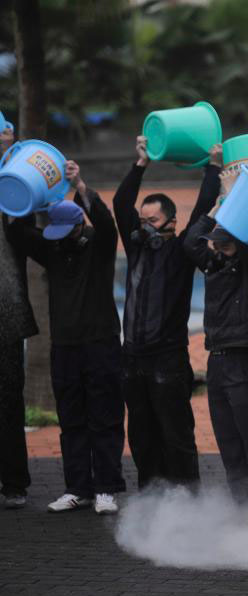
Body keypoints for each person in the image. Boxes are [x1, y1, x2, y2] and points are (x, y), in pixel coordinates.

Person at [7, 161, 125, 514]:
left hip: (101, 342)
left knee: (104, 417)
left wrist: (80, 186)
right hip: (66, 346)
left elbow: (106, 223)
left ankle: (106, 487)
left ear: (78, 225)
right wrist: (29, 197)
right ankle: (78, 487)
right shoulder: (53, 248)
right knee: (71, 418)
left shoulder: (99, 246)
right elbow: (17, 234)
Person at [114, 136, 219, 488]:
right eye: (142, 219)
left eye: (153, 219)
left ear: (171, 222)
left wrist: (213, 167)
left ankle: (187, 496)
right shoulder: (136, 248)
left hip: (167, 359)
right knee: (141, 434)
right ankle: (150, 496)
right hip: (133, 358)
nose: (145, 225)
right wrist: (141, 162)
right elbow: (120, 202)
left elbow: (204, 208)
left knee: (175, 433)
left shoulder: (182, 251)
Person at [183, 167, 248, 505]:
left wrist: (238, 195)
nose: (217, 249)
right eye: (216, 244)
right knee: (230, 446)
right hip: (217, 361)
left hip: (244, 361)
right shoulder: (214, 265)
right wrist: (219, 202)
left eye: (224, 243)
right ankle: (241, 513)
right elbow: (192, 241)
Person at [0, 120, 40, 510]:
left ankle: (14, 482)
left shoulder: (15, 180)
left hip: (7, 312)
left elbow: (25, 223)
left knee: (9, 399)